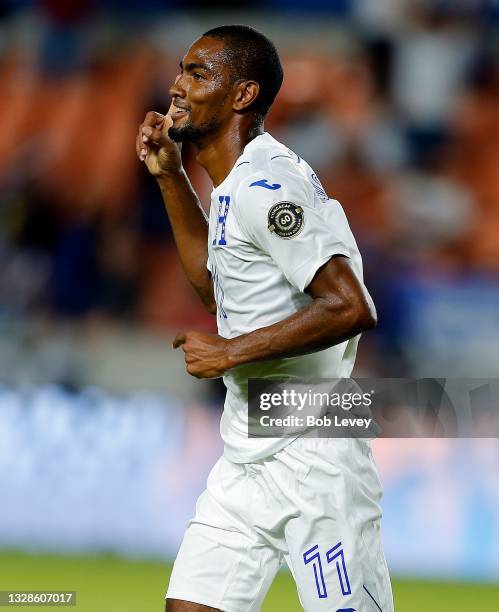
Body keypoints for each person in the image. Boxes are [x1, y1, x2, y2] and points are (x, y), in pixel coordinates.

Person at [136, 24, 393, 612]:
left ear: (242, 95)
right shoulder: (232, 186)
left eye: (198, 74)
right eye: (181, 69)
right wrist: (170, 175)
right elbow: (215, 292)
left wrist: (228, 353)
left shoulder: (267, 186)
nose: (177, 85)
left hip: (316, 453)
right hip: (247, 454)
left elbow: (352, 306)